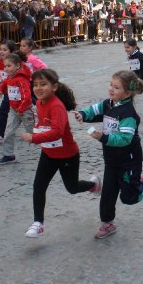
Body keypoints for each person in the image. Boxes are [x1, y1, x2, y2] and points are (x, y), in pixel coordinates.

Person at [73, 70, 143, 239]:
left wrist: (102, 137)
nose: (111, 89)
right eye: (111, 85)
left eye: (116, 87)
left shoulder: (128, 114)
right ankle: (107, 223)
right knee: (108, 193)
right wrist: (82, 114)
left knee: (129, 198)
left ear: (127, 93)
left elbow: (125, 139)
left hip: (129, 161)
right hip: (111, 160)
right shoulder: (108, 103)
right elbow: (94, 110)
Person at [20, 69, 101, 238]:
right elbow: (45, 124)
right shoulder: (40, 103)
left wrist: (34, 138)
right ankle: (38, 223)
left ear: (54, 86)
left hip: (67, 155)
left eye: (43, 84)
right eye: (35, 85)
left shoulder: (57, 106)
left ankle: (93, 185)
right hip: (48, 154)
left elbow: (57, 132)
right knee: (39, 186)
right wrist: (37, 128)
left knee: (72, 188)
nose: (38, 88)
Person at [0, 53, 35, 165]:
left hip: (25, 110)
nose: (6, 69)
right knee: (9, 132)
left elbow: (26, 97)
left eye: (9, 66)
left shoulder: (21, 79)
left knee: (33, 133)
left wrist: (21, 109)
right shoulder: (10, 77)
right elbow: (4, 83)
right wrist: (0, 91)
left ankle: (50, 146)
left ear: (17, 66)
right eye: (5, 66)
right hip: (14, 110)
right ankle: (8, 155)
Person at [0, 40, 18, 143]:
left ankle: (36, 131)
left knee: (26, 112)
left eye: (4, 50)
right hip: (8, 92)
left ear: (11, 51)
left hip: (19, 92)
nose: (1, 52)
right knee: (2, 112)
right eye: (0, 49)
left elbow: (24, 73)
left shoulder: (17, 62)